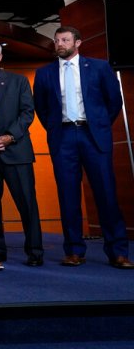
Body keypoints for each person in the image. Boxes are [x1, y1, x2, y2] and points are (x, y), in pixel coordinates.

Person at [33, 26, 132, 269]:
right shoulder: (44, 73)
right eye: (57, 40)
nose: (59, 44)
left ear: (78, 43)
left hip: (93, 135)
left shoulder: (98, 67)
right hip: (63, 137)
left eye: (65, 40)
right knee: (68, 197)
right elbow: (42, 109)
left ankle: (118, 252)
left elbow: (114, 101)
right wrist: (58, 129)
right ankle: (74, 251)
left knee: (106, 195)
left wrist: (98, 125)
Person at [0, 38, 43, 267]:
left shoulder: (19, 81)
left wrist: (9, 137)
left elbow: (27, 113)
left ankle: (35, 251)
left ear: (0, 56)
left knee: (27, 204)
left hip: (16, 152)